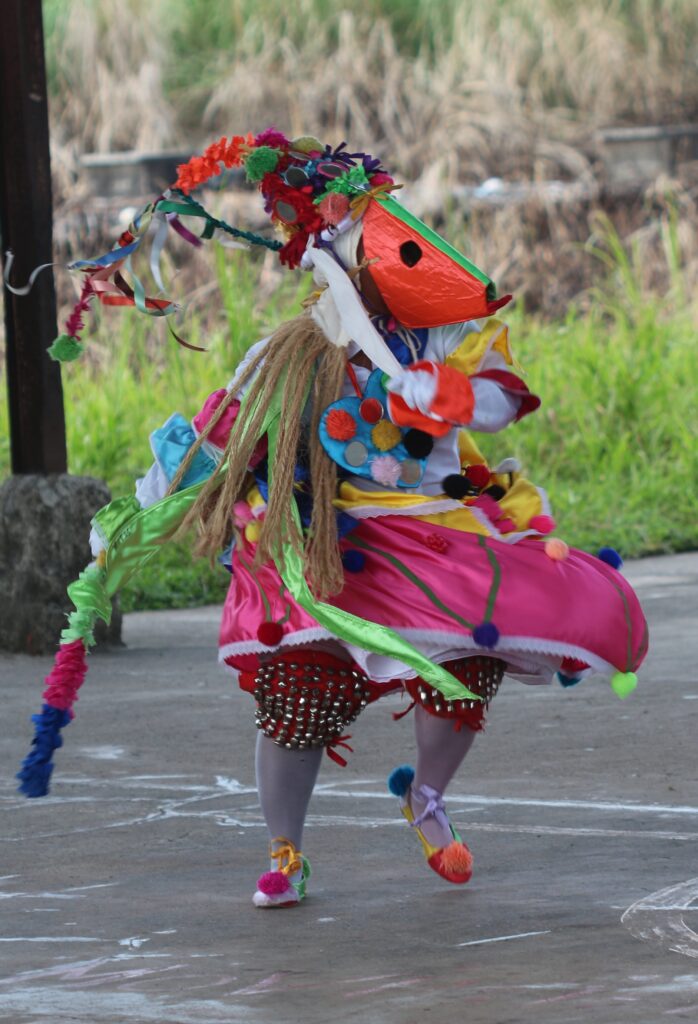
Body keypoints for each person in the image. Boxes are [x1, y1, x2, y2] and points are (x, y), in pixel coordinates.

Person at [16, 128, 648, 908]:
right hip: (330, 546)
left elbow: (504, 397)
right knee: (298, 697)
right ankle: (287, 849)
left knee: (467, 667)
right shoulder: (294, 349)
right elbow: (223, 436)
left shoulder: (448, 332)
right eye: (357, 237)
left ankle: (427, 797)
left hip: (436, 534)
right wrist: (143, 505)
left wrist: (452, 396)